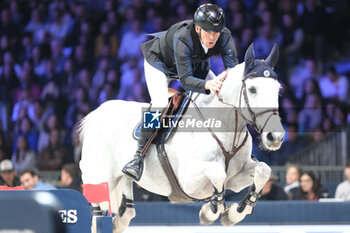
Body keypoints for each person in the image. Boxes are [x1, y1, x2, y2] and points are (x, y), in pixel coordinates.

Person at [122, 3, 239, 181]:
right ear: (198, 28)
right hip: (160, 63)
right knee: (160, 104)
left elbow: (234, 72)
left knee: (222, 97)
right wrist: (209, 85)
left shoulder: (224, 36)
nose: (213, 37)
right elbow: (185, 81)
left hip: (194, 64)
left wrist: (230, 83)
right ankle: (137, 157)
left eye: (217, 32)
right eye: (209, 31)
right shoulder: (183, 37)